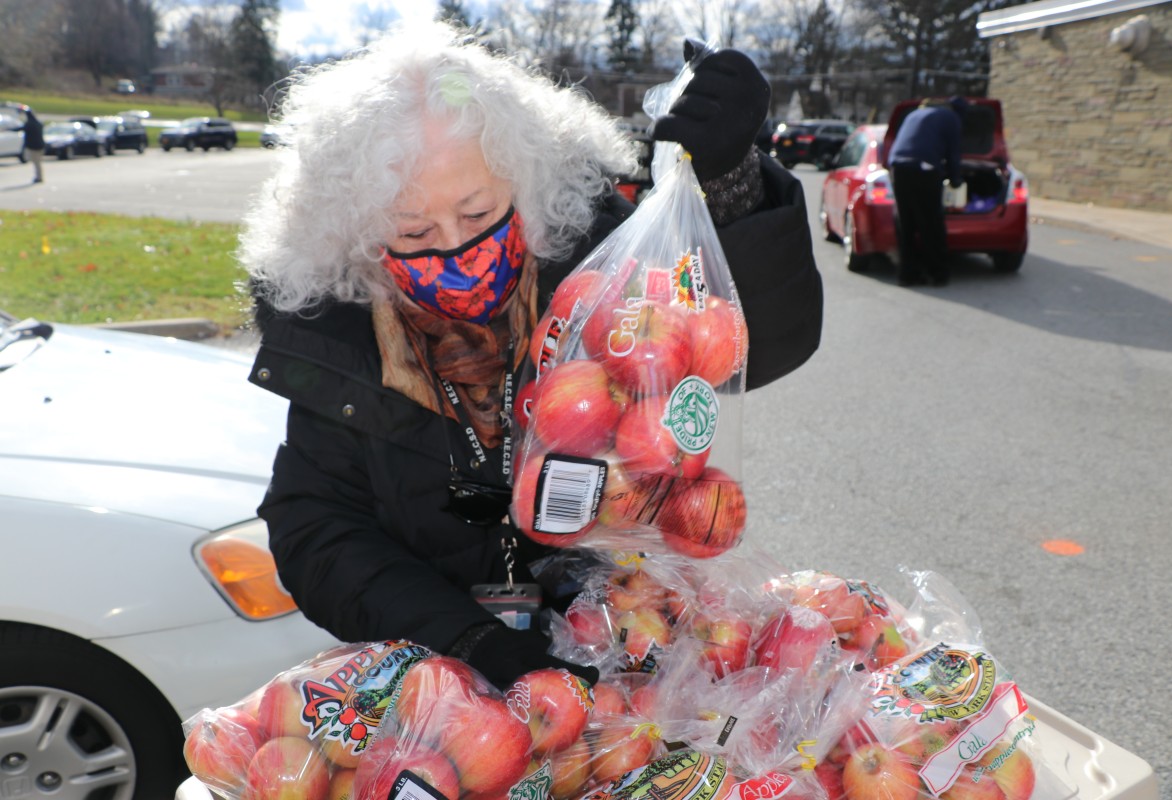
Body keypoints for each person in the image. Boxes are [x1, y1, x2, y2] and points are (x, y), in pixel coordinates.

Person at [239, 20, 824, 692]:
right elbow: (316, 527)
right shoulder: (342, 330)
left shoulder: (601, 261)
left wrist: (728, 187)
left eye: (479, 212)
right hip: (451, 683)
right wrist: (469, 639)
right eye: (414, 231)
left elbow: (761, 343)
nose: (455, 248)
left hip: (637, 647)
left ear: (525, 181)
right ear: (356, 234)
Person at [886, 96, 969, 286]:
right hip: (924, 170)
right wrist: (956, 179)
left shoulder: (916, 114)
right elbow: (954, 154)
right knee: (931, 224)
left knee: (906, 223)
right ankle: (938, 274)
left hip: (898, 168)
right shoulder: (951, 118)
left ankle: (907, 275)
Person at [20, 106, 44, 184]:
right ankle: (39, 176)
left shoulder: (29, 124)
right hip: (40, 145)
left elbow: (22, 129)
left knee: (36, 163)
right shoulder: (38, 123)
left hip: (34, 146)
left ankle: (39, 177)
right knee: (37, 163)